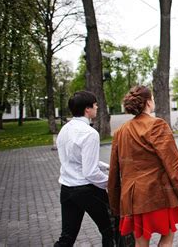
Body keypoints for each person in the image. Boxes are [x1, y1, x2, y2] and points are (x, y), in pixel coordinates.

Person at [108, 86, 178, 247]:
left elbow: (114, 171)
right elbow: (173, 163)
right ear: (148, 102)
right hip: (157, 193)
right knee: (167, 236)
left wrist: (115, 202)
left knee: (140, 242)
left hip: (132, 198)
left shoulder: (120, 131)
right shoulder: (157, 125)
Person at [54, 91, 114, 247]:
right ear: (87, 109)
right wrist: (110, 182)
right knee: (111, 230)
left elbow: (76, 159)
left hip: (67, 189)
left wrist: (105, 166)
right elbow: (90, 172)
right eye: (95, 105)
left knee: (66, 238)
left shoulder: (64, 130)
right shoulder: (90, 133)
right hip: (87, 190)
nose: (97, 107)